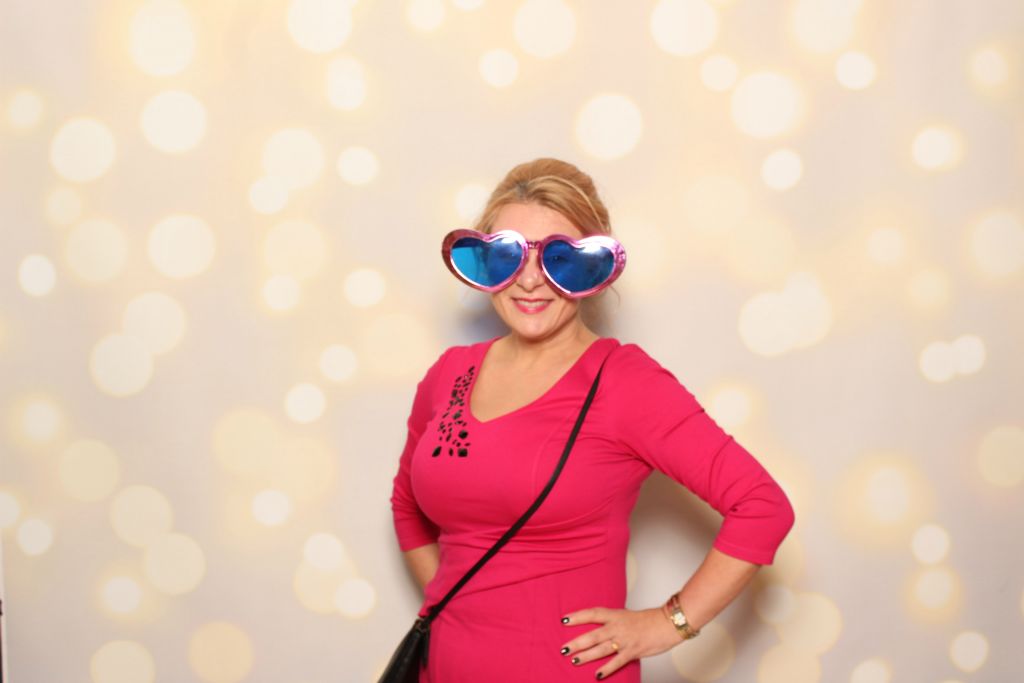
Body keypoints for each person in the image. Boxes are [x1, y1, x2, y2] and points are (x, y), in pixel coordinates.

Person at [389, 158, 795, 681]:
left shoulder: (625, 382)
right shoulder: (450, 373)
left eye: (557, 259)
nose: (529, 280)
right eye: (509, 255)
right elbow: (407, 504)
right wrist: (458, 608)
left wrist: (669, 623)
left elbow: (761, 507)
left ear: (592, 269)